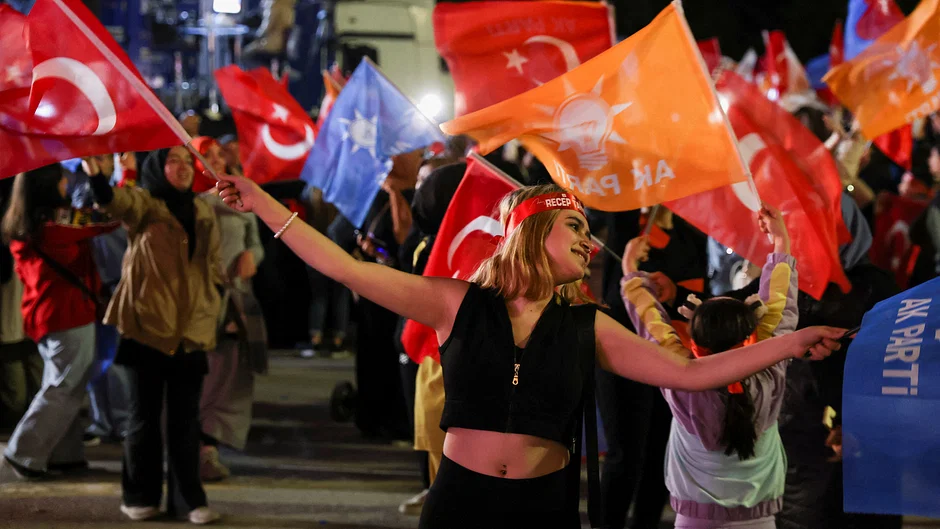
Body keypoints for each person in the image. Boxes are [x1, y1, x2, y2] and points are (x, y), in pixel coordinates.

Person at [214, 175, 846, 529]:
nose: (590, 244)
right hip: (459, 502)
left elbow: (692, 372)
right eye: (576, 228)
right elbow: (347, 269)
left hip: (544, 511)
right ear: (535, 232)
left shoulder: (588, 325)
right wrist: (264, 204)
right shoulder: (454, 303)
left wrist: (789, 341)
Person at [620, 207, 796, 529]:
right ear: (751, 334)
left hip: (693, 520)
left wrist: (631, 269)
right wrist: (780, 242)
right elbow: (780, 306)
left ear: (693, 338)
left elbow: (651, 322)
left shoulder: (678, 379)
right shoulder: (771, 369)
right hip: (761, 519)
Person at [84, 148, 223, 525]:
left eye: (186, 160)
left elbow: (213, 265)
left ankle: (189, 500)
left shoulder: (203, 209)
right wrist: (98, 177)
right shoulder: (146, 204)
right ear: (157, 169)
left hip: (191, 331)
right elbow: (116, 202)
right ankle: (139, 495)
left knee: (186, 422)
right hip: (146, 327)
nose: (183, 167)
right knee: (143, 419)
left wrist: (216, 297)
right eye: (173, 160)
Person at [0, 165, 116, 481]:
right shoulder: (57, 222)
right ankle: (23, 452)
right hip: (67, 312)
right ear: (50, 184)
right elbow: (107, 221)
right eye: (62, 178)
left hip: (45, 312)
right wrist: (107, 181)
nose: (67, 182)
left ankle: (63, 454)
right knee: (64, 384)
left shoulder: (24, 221)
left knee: (65, 381)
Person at [191, 137, 267, 482]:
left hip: (237, 298)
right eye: (207, 155)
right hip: (201, 301)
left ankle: (209, 447)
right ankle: (197, 447)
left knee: (230, 373)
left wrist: (254, 257)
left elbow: (255, 242)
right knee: (205, 376)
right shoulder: (189, 202)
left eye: (220, 155)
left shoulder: (237, 196)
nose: (217, 160)